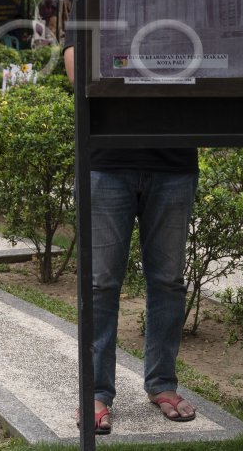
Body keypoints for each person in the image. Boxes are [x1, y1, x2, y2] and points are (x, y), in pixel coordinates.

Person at [64, 36, 198, 435]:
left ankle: (162, 384)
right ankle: (96, 393)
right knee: (101, 284)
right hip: (107, 161)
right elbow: (75, 64)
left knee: (168, 282)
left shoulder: (183, 10)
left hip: (174, 162)